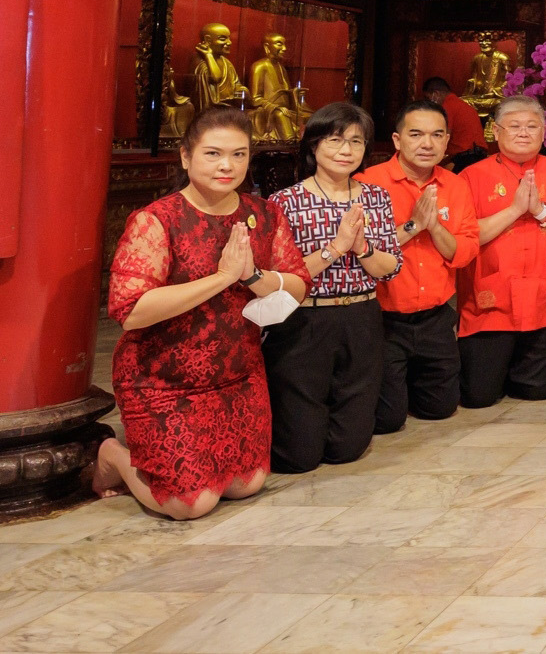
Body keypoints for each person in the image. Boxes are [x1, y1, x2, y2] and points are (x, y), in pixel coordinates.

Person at [95, 109, 308, 518]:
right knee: (187, 506)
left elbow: (297, 284)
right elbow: (131, 310)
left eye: (239, 154)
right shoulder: (156, 221)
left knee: (246, 485)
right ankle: (113, 456)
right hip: (162, 378)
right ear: (185, 157)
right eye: (213, 154)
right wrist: (224, 277)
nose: (227, 165)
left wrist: (254, 275)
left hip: (237, 374)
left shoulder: (263, 215)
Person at [265, 102, 403, 473]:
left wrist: (362, 248)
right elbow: (281, 276)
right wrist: (336, 247)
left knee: (348, 447)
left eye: (356, 142)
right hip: (305, 319)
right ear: (313, 147)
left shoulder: (376, 197)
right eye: (336, 141)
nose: (347, 151)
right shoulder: (285, 202)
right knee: (299, 456)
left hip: (362, 313)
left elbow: (390, 267)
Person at [458, 96, 546, 406]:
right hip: (489, 303)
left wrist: (541, 211)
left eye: (532, 126)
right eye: (515, 126)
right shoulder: (471, 176)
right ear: (495, 131)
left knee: (536, 393)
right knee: (479, 397)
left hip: (543, 300)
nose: (523, 133)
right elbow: (462, 238)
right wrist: (516, 210)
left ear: (544, 133)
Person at [361, 98, 479, 434]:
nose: (426, 144)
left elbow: (467, 250)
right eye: (416, 134)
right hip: (384, 318)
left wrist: (435, 227)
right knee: (387, 420)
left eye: (436, 135)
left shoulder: (455, 186)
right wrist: (414, 226)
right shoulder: (368, 183)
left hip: (436, 317)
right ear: (397, 140)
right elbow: (362, 251)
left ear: (446, 141)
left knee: (440, 410)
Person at [424, 76, 487, 169]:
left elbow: (443, 137)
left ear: (435, 94)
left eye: (428, 98)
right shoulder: (462, 104)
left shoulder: (447, 106)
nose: (429, 103)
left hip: (467, 157)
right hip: (478, 154)